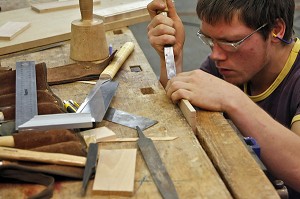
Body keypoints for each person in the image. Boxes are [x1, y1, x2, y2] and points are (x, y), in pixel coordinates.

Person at [147, 0, 300, 194]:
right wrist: (172, 60)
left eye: (230, 43)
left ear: (276, 30)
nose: (215, 56)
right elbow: (179, 120)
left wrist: (233, 99)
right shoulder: (227, 67)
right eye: (210, 40)